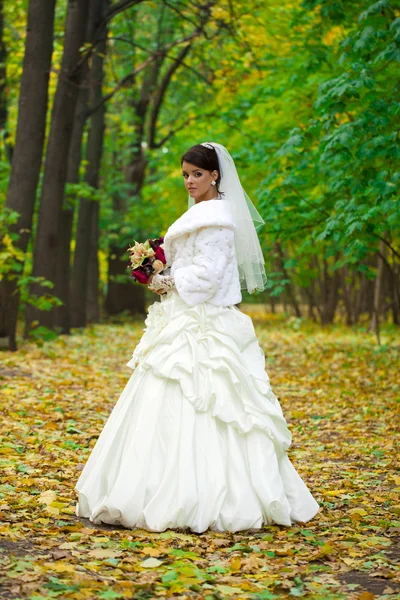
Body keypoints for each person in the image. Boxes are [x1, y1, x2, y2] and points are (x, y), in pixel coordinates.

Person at [74, 142, 319, 533]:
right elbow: (192, 264)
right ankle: (150, 485)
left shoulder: (218, 219)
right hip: (182, 318)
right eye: (186, 175)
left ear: (215, 175)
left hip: (203, 324)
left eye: (197, 175)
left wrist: (164, 280)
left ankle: (209, 495)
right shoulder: (200, 214)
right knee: (163, 398)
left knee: (213, 402)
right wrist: (156, 266)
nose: (190, 181)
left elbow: (206, 276)